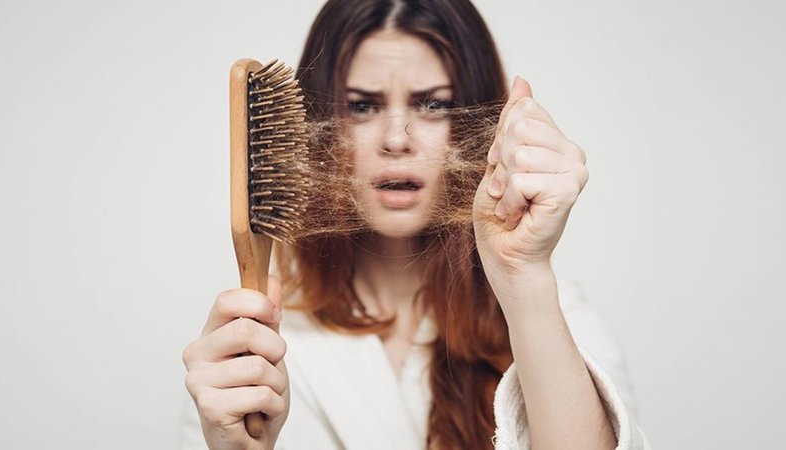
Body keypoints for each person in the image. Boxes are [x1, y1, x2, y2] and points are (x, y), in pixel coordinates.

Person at [181, 1, 651, 449]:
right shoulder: (251, 353)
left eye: (432, 105)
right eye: (363, 107)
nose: (395, 140)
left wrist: (523, 276)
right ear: (313, 125)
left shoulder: (552, 317)